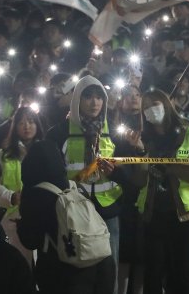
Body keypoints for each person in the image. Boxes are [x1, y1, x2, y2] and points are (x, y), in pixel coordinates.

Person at [47, 75, 126, 286]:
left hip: (108, 210)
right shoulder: (59, 133)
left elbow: (127, 174)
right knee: (78, 271)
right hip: (75, 212)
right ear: (76, 100)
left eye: (100, 97)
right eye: (88, 97)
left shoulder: (115, 132)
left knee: (109, 271)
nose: (95, 102)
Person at [135, 88, 189, 294]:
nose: (151, 110)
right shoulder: (144, 138)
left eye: (155, 104)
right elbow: (139, 179)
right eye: (146, 108)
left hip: (184, 213)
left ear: (166, 104)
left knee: (180, 269)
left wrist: (170, 168)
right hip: (154, 212)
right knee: (153, 269)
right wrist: (141, 153)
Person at [17, 141, 116, 294]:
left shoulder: (35, 194)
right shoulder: (76, 188)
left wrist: (20, 224)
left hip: (63, 274)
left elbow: (30, 240)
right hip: (102, 264)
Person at [0, 106, 44, 262]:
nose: (27, 127)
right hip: (13, 217)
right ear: (15, 127)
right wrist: (10, 197)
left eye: (31, 122)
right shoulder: (4, 154)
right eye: (21, 123)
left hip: (42, 215)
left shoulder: (46, 151)